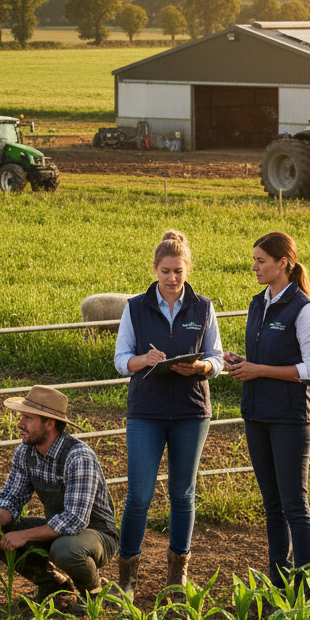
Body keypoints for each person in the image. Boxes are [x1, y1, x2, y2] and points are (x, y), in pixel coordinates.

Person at [113, 229, 223, 598]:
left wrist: (204, 368)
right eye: (165, 271)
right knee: (139, 495)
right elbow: (119, 359)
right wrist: (140, 360)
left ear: (187, 268)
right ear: (155, 269)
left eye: (178, 270)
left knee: (183, 493)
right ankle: (127, 576)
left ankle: (178, 575)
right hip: (146, 410)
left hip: (192, 410)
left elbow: (217, 356)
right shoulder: (134, 307)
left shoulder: (203, 307)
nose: (172, 278)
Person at [226, 231, 310, 590]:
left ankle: (308, 588)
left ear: (284, 264)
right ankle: (280, 585)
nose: (254, 267)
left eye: (261, 261)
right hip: (257, 414)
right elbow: (266, 358)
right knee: (272, 506)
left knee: (294, 504)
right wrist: (242, 363)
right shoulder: (258, 303)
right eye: (254, 260)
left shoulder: (304, 310)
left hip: (289, 418)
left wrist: (259, 370)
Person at [0, 385, 119, 613]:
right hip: (59, 529)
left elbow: (74, 520)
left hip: (96, 534)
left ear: (49, 424)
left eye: (28, 418)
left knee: (65, 549)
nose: (20, 424)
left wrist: (23, 535)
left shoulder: (78, 456)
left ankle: (93, 592)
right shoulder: (26, 453)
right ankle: (52, 585)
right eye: (22, 416)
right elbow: (12, 498)